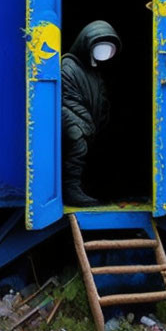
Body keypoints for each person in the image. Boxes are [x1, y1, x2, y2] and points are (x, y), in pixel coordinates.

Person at [61, 20, 121, 206]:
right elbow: (69, 100)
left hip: (89, 120)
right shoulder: (68, 67)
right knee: (78, 142)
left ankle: (93, 187)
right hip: (73, 117)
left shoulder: (93, 71)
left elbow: (101, 99)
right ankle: (71, 189)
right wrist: (86, 123)